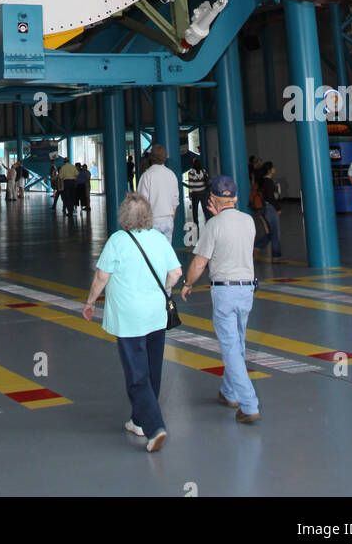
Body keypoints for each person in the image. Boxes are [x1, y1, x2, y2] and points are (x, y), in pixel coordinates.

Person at [82, 192, 181, 453]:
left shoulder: (117, 241)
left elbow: (101, 276)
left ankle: (154, 426)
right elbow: (176, 273)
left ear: (124, 216)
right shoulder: (159, 239)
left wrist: (91, 302)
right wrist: (163, 290)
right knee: (153, 368)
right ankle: (138, 421)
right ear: (148, 215)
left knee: (137, 374)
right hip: (156, 315)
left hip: (128, 318)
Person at [181, 175, 260, 425]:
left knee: (229, 347)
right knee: (238, 340)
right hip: (247, 289)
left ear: (212, 200)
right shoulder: (248, 221)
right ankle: (230, 392)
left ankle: (248, 404)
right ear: (235, 198)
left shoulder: (213, 226)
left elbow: (200, 262)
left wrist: (188, 284)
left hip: (224, 290)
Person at [137, 144, 180, 243]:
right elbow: (175, 203)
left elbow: (141, 204)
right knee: (165, 254)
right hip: (168, 221)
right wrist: (171, 222)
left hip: (152, 222)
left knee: (152, 255)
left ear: (151, 158)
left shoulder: (147, 175)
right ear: (164, 158)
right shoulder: (172, 175)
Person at [252, 162, 282, 260]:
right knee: (275, 233)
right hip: (270, 208)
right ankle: (276, 256)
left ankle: (257, 246)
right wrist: (278, 208)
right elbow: (270, 197)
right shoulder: (268, 182)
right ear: (269, 170)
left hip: (265, 208)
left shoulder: (263, 181)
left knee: (272, 232)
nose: (274, 169)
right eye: (273, 167)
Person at [186, 162, 212, 230]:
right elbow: (207, 179)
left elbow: (191, 184)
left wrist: (190, 194)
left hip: (195, 194)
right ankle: (209, 222)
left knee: (195, 210)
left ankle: (196, 224)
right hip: (203, 192)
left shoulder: (191, 173)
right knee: (205, 209)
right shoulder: (203, 171)